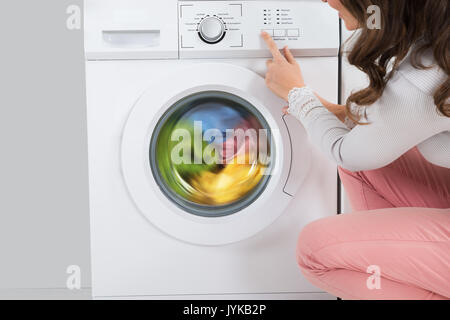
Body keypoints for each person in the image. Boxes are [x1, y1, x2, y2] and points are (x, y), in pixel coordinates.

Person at [261, 0, 450, 300]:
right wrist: (334, 111)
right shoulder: (438, 41)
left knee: (315, 251)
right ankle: (400, 272)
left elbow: (346, 150)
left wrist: (298, 95)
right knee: (370, 165)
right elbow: (392, 124)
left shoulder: (423, 79)